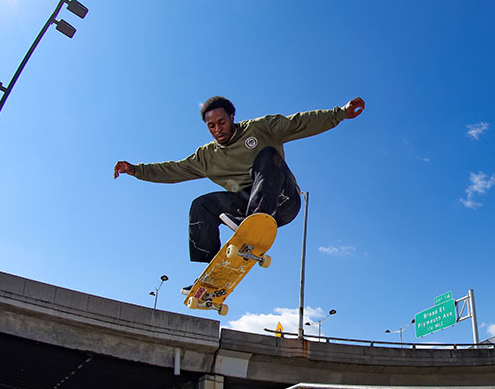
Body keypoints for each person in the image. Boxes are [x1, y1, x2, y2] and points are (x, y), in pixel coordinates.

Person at [114, 95, 365, 263]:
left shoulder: (259, 128)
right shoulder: (207, 156)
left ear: (232, 117)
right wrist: (136, 170)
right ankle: (213, 271)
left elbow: (298, 122)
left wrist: (339, 113)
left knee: (267, 154)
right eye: (211, 126)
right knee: (201, 205)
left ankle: (254, 222)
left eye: (221, 122)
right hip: (243, 206)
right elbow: (174, 170)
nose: (217, 130)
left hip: (283, 201)